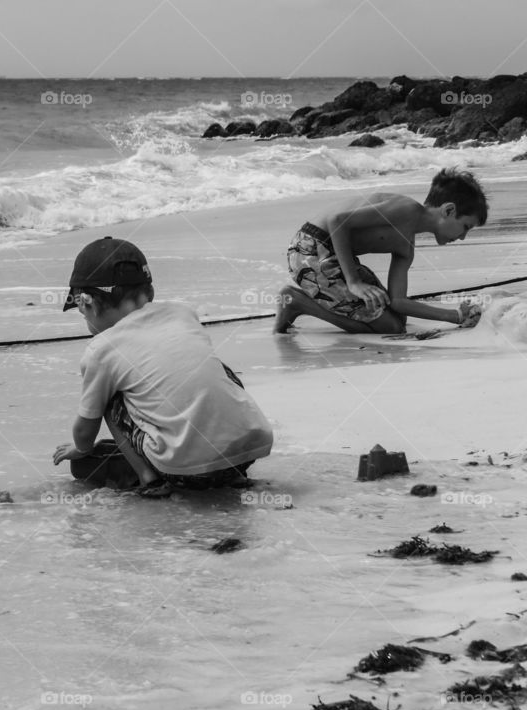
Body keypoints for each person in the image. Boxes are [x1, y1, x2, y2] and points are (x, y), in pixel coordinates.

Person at [52, 236, 274, 496]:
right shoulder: (183, 313)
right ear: (151, 292)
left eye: (82, 313)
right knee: (217, 370)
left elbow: (85, 428)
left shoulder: (101, 350)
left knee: (109, 396)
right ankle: (235, 476)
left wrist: (81, 449)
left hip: (182, 471)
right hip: (247, 452)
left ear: (86, 303)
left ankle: (150, 480)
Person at [274, 168, 488, 334]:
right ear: (448, 210)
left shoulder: (406, 248)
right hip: (309, 249)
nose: (462, 237)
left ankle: (300, 303)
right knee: (390, 327)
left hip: (334, 258)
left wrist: (455, 315)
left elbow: (399, 302)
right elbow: (337, 221)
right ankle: (296, 302)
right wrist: (354, 282)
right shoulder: (407, 209)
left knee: (397, 319)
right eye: (466, 227)